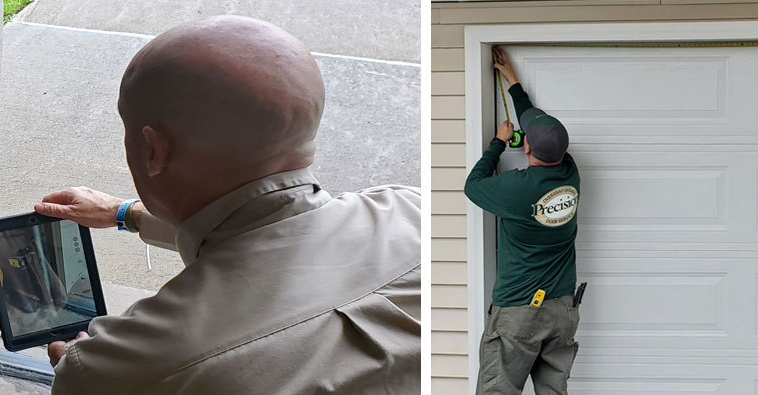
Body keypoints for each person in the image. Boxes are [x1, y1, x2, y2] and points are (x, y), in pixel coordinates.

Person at [32, 15, 422, 393]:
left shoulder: (126, 369)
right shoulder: (415, 211)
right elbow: (273, 232)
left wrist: (83, 373)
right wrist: (126, 214)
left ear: (153, 151)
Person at [468, 46, 583, 395]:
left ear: (526, 149)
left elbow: (473, 187)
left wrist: (498, 144)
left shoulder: (515, 189)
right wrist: (513, 82)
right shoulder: (570, 172)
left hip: (520, 310)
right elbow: (538, 126)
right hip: (562, 307)